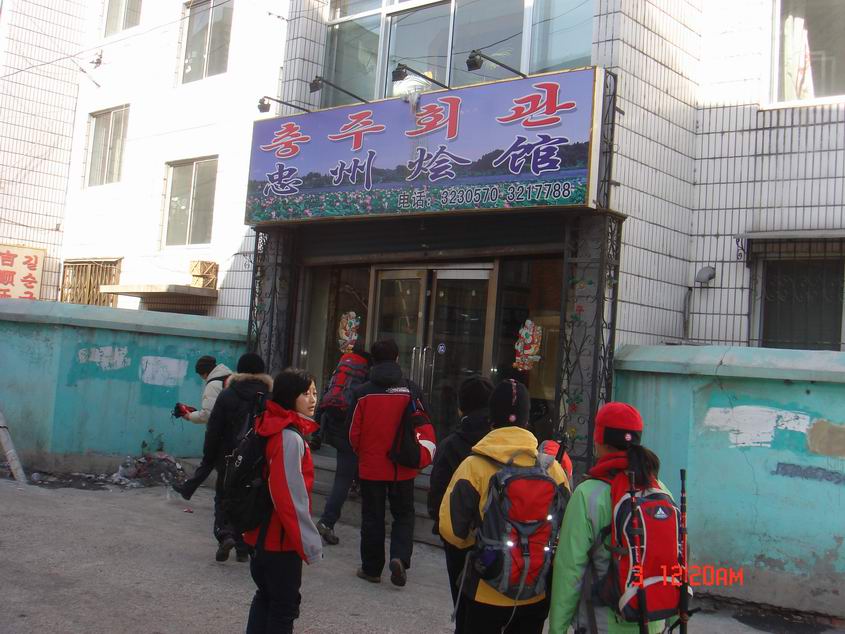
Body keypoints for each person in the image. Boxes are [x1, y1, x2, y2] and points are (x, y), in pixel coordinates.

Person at [439, 379, 570, 634]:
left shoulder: (474, 466)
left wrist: (482, 543)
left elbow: (451, 531)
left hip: (485, 588)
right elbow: (567, 528)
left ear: (491, 417)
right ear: (526, 419)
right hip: (534, 589)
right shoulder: (552, 469)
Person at [548, 402, 667, 634]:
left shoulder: (588, 494)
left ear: (599, 439)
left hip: (601, 624)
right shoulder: (661, 489)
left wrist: (557, 629)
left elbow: (569, 571)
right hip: (653, 621)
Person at [349, 339, 436, 587]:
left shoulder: (362, 392)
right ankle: (399, 557)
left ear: (373, 361)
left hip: (372, 467)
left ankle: (372, 569)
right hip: (403, 466)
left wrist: (363, 453)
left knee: (372, 518)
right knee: (404, 514)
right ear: (397, 358)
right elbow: (423, 423)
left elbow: (353, 434)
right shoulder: (411, 390)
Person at [242, 368, 322, 634]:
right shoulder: (289, 437)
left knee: (266, 598)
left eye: (314, 392)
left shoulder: (268, 423)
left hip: (259, 534)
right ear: (289, 396)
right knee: (283, 607)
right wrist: (309, 543)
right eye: (305, 393)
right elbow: (288, 496)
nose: (313, 399)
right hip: (278, 540)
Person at [175, 352, 273, 563]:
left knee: (223, 497)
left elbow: (214, 429)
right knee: (249, 500)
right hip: (257, 460)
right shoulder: (270, 397)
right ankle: (243, 547)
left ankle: (225, 534)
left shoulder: (228, 394)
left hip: (228, 456)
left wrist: (209, 456)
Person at [427, 374, 494, 613]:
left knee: (462, 602)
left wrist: (443, 525)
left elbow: (437, 495)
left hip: (458, 537)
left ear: (460, 408)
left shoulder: (450, 445)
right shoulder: (503, 444)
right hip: (496, 537)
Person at [315, 341, 371, 546]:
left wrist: (317, 429)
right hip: (350, 427)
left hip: (334, 426)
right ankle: (327, 521)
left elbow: (326, 394)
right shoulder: (366, 373)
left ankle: (356, 483)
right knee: (342, 478)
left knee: (348, 465)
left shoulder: (342, 366)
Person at [182, 355, 231, 425]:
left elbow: (207, 415)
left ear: (205, 373)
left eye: (200, 375)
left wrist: (189, 416)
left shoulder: (213, 385)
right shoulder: (229, 378)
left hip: (224, 427)